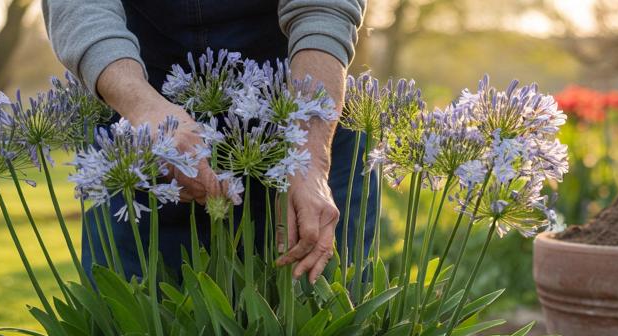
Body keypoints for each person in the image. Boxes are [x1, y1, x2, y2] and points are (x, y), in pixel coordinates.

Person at [42, 0, 371, 283]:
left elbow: (323, 9)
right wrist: (144, 108)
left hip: (299, 105)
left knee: (315, 318)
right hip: (139, 111)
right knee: (136, 318)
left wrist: (311, 159)